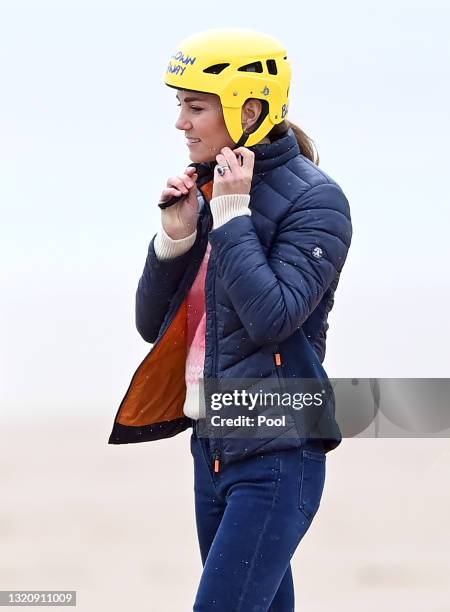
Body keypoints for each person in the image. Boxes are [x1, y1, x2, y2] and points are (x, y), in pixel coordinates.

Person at [109, 27, 352, 611]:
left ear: (249, 108)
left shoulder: (316, 200)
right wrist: (176, 237)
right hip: (211, 449)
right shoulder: (210, 190)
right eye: (180, 107)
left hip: (277, 453)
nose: (181, 123)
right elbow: (152, 326)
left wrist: (234, 213)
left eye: (196, 107)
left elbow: (274, 316)